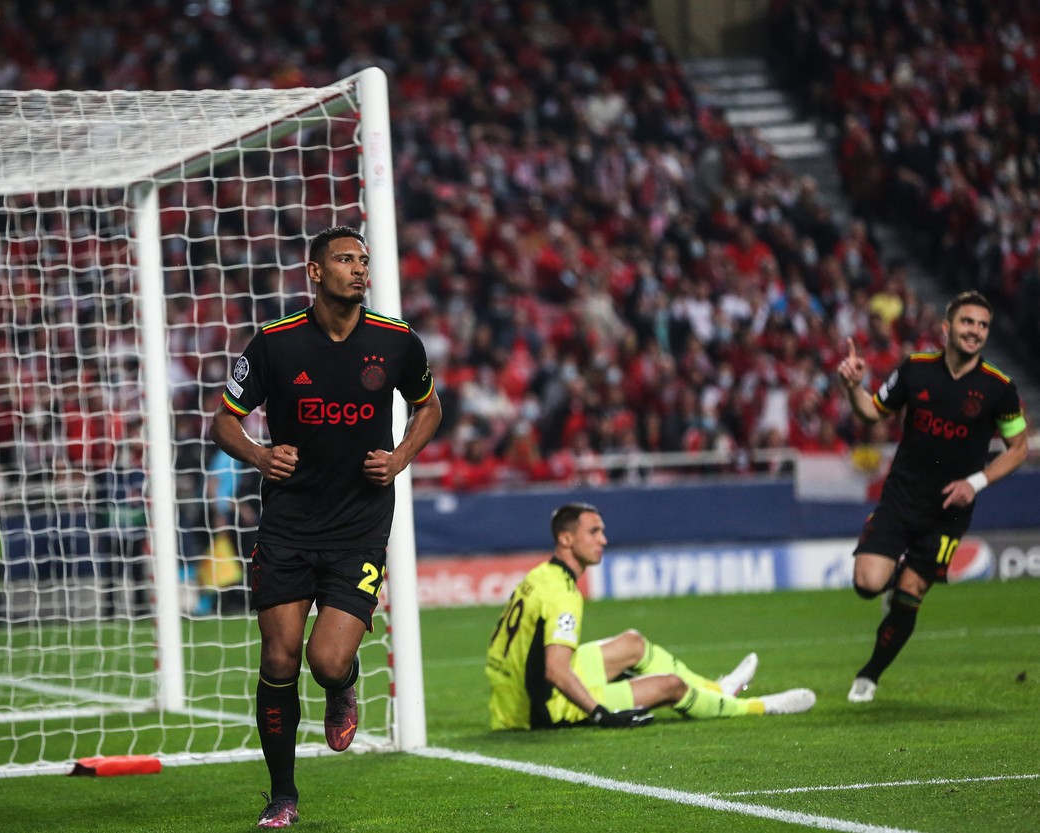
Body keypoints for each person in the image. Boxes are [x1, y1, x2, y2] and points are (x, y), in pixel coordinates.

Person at [210, 226, 442, 829]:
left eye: (363, 260)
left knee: (325, 659)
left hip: (360, 524)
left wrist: (398, 458)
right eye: (344, 260)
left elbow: (430, 406)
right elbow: (224, 422)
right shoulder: (273, 344)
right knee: (279, 658)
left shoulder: (397, 342)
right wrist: (260, 455)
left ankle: (345, 682)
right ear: (315, 273)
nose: (359, 269)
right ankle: (282, 794)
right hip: (288, 524)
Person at [836, 290, 1029, 703]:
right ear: (947, 328)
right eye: (967, 322)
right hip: (901, 498)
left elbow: (1019, 448)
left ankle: (869, 674)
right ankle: (890, 573)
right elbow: (871, 411)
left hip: (948, 512)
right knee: (868, 584)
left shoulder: (998, 388)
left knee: (910, 594)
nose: (974, 331)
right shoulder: (915, 370)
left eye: (982, 325)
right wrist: (853, 387)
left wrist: (974, 483)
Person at [486, 502, 816, 731]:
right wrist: (602, 715)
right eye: (594, 532)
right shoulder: (563, 595)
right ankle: (758, 706)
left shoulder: (540, 576)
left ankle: (718, 688)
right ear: (566, 538)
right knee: (671, 686)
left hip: (512, 697)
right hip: (540, 709)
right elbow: (556, 671)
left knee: (632, 643)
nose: (604, 540)